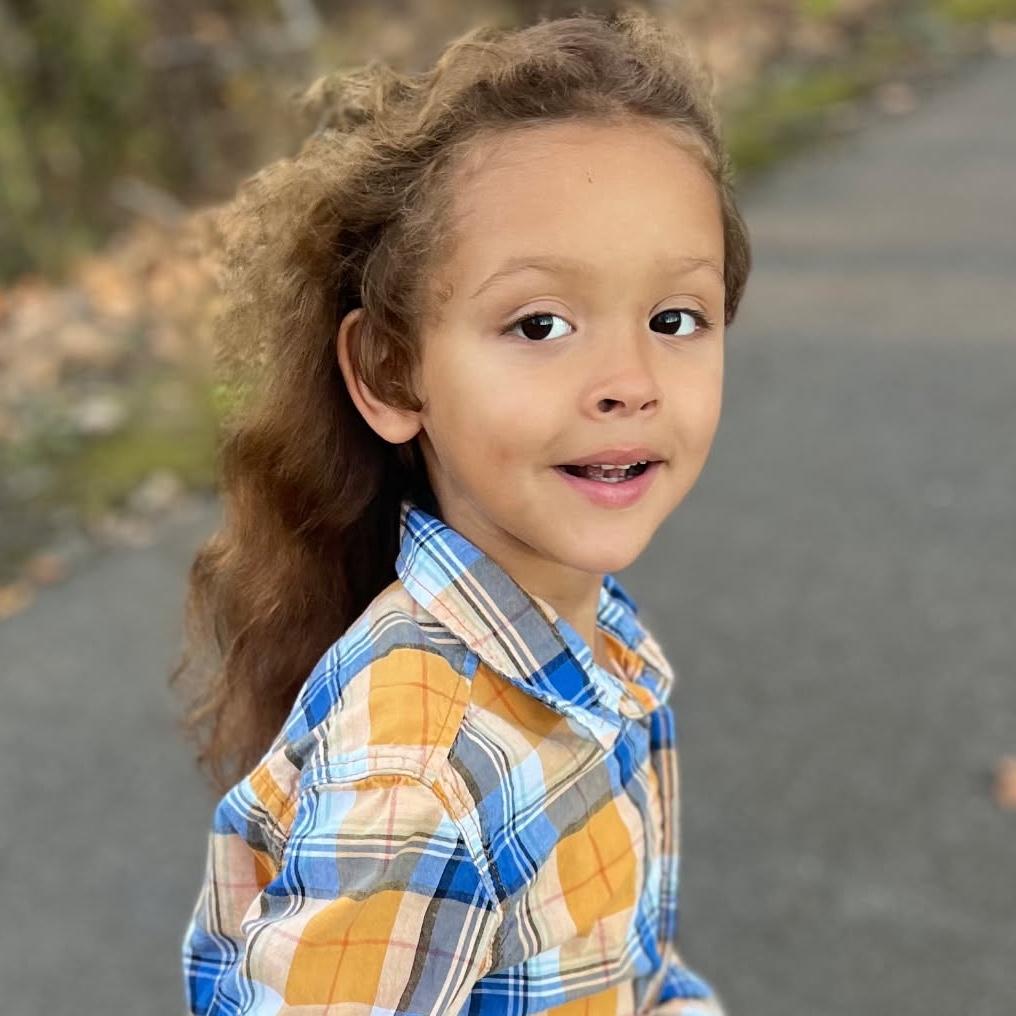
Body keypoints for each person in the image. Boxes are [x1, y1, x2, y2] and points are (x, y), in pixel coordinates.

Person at [173, 8, 752, 1014]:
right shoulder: (418, 773)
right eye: (540, 324)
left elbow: (633, 974)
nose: (629, 381)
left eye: (675, 318)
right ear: (390, 372)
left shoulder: (593, 651)